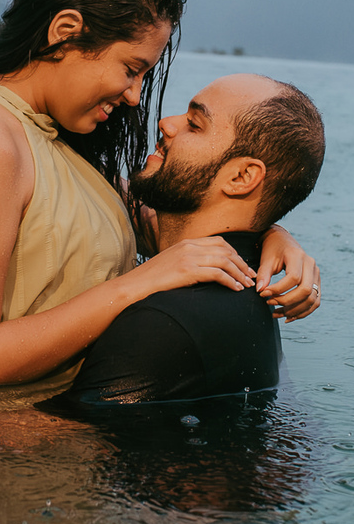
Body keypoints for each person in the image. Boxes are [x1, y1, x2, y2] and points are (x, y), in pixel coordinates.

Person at [0, 0, 322, 390]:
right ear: (65, 32)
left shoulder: (50, 141)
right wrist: (139, 283)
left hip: (56, 439)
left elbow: (151, 225)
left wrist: (268, 235)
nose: (134, 96)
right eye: (130, 68)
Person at [60, 73, 325, 407]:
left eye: (194, 124)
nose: (166, 124)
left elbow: (45, 442)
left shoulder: (161, 323)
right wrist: (271, 231)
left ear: (242, 176)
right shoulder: (239, 289)